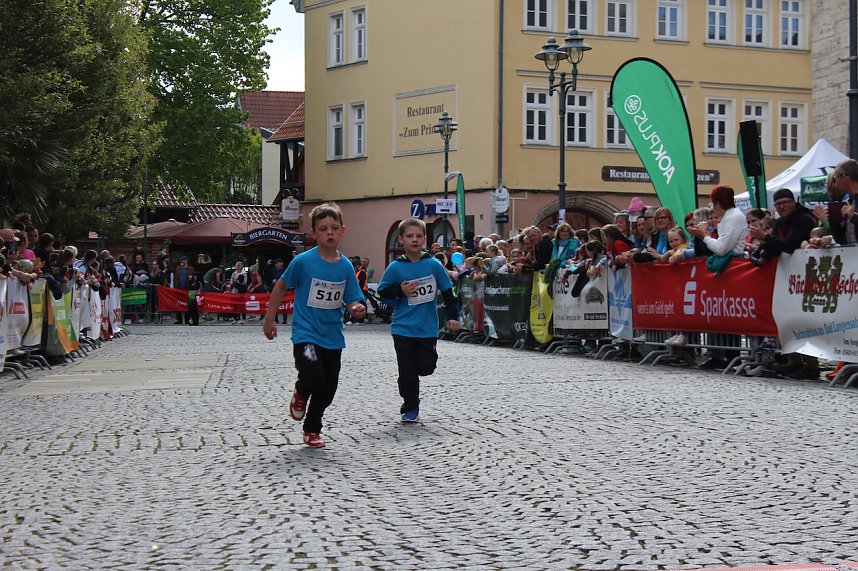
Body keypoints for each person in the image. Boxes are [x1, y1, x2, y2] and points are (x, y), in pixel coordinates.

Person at [262, 203, 366, 448]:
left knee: (329, 386)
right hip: (306, 333)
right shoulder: (303, 262)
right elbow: (280, 286)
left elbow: (352, 298)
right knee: (312, 375)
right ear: (314, 233)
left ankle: (312, 429)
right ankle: (300, 393)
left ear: (342, 231)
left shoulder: (345, 266)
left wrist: (355, 308)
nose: (329, 233)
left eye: (334, 228)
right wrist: (270, 318)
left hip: (332, 335)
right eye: (323, 229)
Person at [377, 217, 460, 423]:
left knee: (425, 367)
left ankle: (414, 376)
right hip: (402, 328)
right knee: (407, 371)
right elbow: (382, 294)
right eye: (409, 236)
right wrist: (401, 291)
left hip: (427, 328)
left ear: (424, 239)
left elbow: (449, 292)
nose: (414, 240)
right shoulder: (396, 268)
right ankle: (410, 405)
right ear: (402, 240)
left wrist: (452, 316)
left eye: (418, 236)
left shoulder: (432, 265)